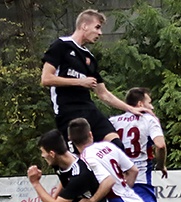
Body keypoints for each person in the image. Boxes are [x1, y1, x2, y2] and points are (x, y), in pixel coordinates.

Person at [40, 9, 150, 149]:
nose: (100, 33)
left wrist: (130, 108)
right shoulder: (61, 45)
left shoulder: (89, 58)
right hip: (68, 112)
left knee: (116, 146)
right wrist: (80, 82)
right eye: (97, 27)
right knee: (81, 160)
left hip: (89, 109)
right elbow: (46, 79)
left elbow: (103, 94)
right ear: (84, 26)